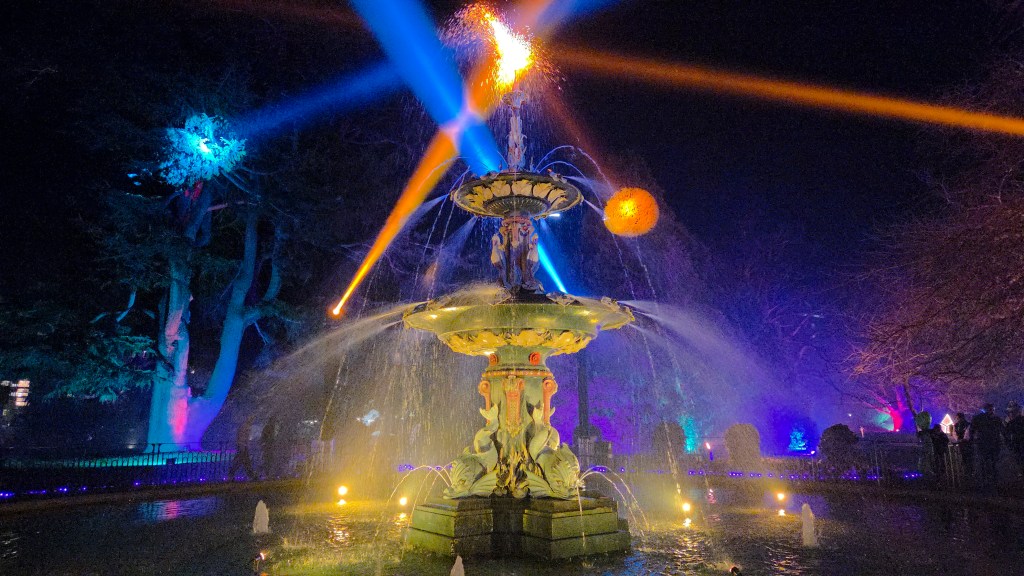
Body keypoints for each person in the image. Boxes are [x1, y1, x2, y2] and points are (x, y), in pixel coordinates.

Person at [970, 403, 1003, 487]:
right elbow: (1002, 430)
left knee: (985, 462)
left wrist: (972, 440)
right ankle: (993, 480)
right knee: (993, 462)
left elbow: (972, 430)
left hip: (984, 443)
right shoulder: (996, 419)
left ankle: (986, 480)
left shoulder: (978, 418)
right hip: (992, 443)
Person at [228, 415, 256, 481]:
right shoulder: (245, 427)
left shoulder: (245, 427)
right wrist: (243, 446)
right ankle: (251, 476)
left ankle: (231, 474)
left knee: (242, 462)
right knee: (244, 462)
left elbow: (241, 437)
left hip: (242, 446)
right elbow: (242, 437)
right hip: (243, 446)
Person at [1003, 401, 1024, 478]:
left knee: (1018, 457)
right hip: (1018, 441)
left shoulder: (1012, 422)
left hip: (1017, 441)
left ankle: (1021, 471)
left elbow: (1006, 432)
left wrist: (1008, 443)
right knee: (1019, 456)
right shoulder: (1014, 421)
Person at [953, 412, 973, 481]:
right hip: (962, 444)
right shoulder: (957, 425)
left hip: (966, 444)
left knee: (966, 458)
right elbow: (955, 433)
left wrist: (962, 439)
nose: (957, 419)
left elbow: (968, 434)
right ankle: (966, 473)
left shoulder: (966, 424)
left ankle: (967, 474)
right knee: (964, 458)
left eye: (957, 417)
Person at [261, 416, 279, 480]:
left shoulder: (270, 428)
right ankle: (267, 474)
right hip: (268, 447)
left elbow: (264, 437)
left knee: (269, 460)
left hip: (269, 446)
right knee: (268, 460)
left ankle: (267, 474)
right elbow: (266, 437)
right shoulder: (269, 428)